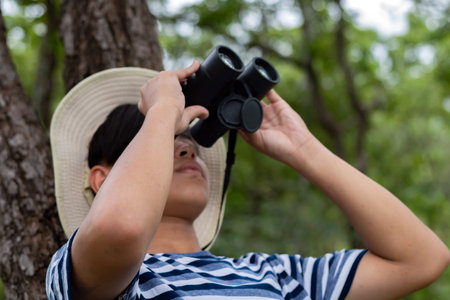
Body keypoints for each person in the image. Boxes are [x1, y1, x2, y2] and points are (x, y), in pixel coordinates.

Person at [46, 61, 449, 300]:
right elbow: (122, 226)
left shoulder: (272, 275)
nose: (186, 149)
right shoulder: (93, 277)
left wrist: (303, 148)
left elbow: (420, 259)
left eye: (188, 139)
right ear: (103, 179)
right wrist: (164, 110)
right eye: (166, 138)